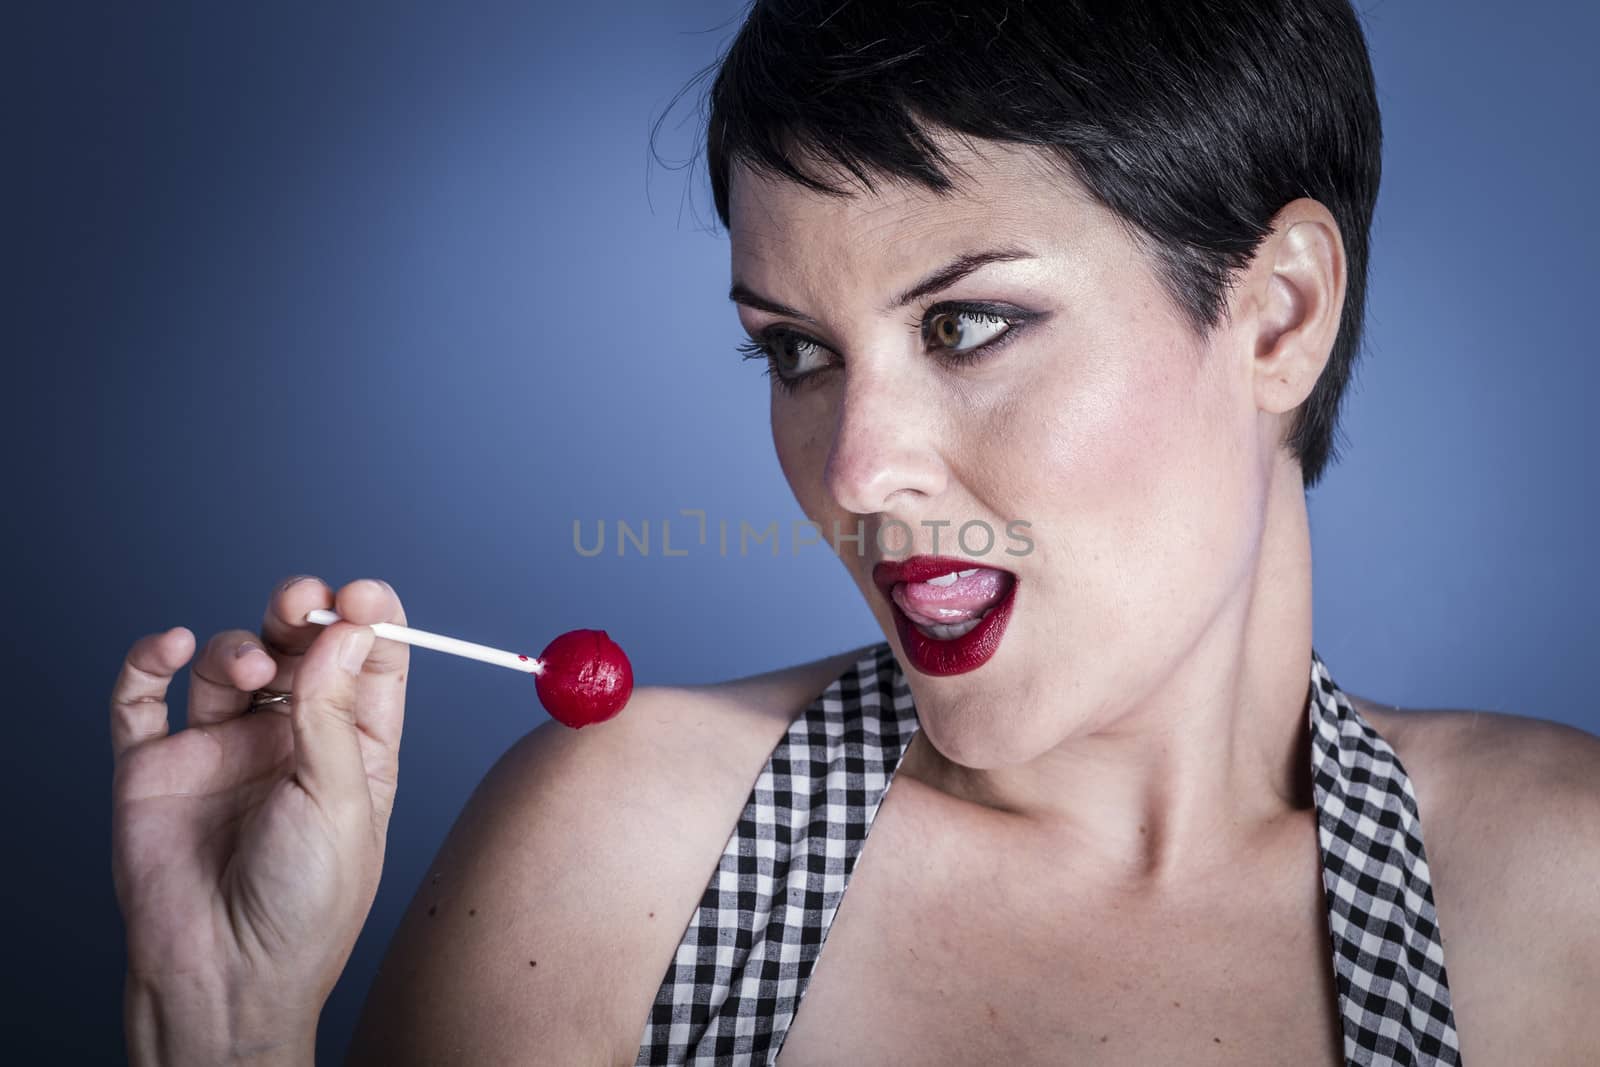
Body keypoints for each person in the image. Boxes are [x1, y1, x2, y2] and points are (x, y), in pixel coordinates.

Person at [110, 1, 1600, 1064]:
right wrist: (227, 1024)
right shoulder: (621, 857)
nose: (857, 474)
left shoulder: (1563, 891)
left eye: (967, 323)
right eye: (797, 353)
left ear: (1277, 316)